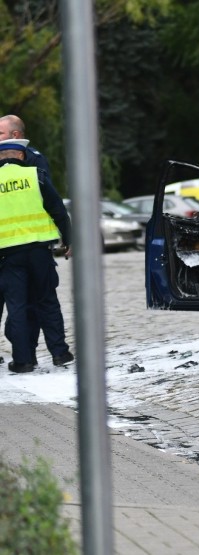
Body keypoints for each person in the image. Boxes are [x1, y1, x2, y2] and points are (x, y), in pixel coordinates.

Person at [0, 138, 74, 373]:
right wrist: (69, 240)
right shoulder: (36, 175)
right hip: (39, 252)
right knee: (47, 301)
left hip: (8, 256)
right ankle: (60, 354)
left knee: (17, 307)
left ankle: (23, 361)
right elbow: (58, 210)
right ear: (21, 156)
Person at [0, 115, 56, 365]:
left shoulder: (32, 159)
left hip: (21, 246)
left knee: (25, 305)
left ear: (14, 136)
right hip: (12, 246)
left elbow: (48, 201)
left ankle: (26, 354)